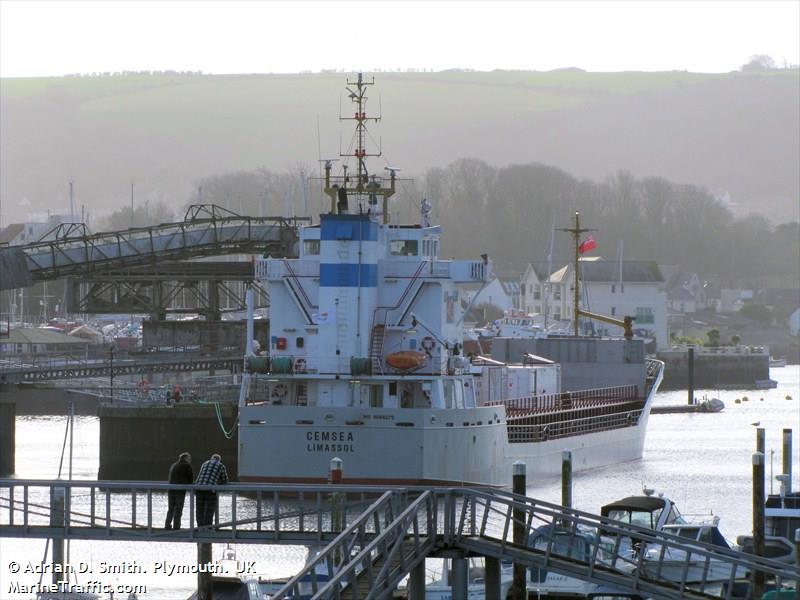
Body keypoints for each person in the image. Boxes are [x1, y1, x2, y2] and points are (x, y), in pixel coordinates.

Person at [195, 453, 228, 527]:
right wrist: (217, 481)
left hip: (199, 488)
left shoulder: (205, 463)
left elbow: (199, 476)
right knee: (209, 510)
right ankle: (208, 527)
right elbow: (225, 480)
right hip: (210, 490)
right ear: (219, 460)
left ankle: (200, 527)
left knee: (199, 510)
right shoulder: (221, 465)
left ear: (211, 458)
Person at [165, 452, 193, 530]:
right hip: (180, 490)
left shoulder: (174, 465)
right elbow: (190, 478)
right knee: (178, 509)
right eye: (189, 458)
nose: (190, 460)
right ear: (186, 458)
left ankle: (167, 525)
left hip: (171, 489)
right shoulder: (187, 466)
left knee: (171, 508)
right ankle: (176, 526)